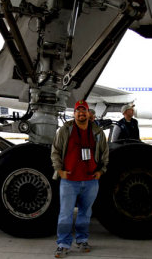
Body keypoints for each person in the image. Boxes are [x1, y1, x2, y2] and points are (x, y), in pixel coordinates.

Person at [51, 100, 109, 258]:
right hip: (69, 181)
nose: (81, 113)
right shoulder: (65, 130)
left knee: (85, 213)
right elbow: (55, 150)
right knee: (65, 214)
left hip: (91, 181)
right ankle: (63, 244)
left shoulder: (97, 132)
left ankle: (82, 240)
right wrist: (59, 170)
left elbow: (105, 153)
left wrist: (101, 171)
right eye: (78, 111)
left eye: (84, 111)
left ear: (89, 113)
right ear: (74, 113)